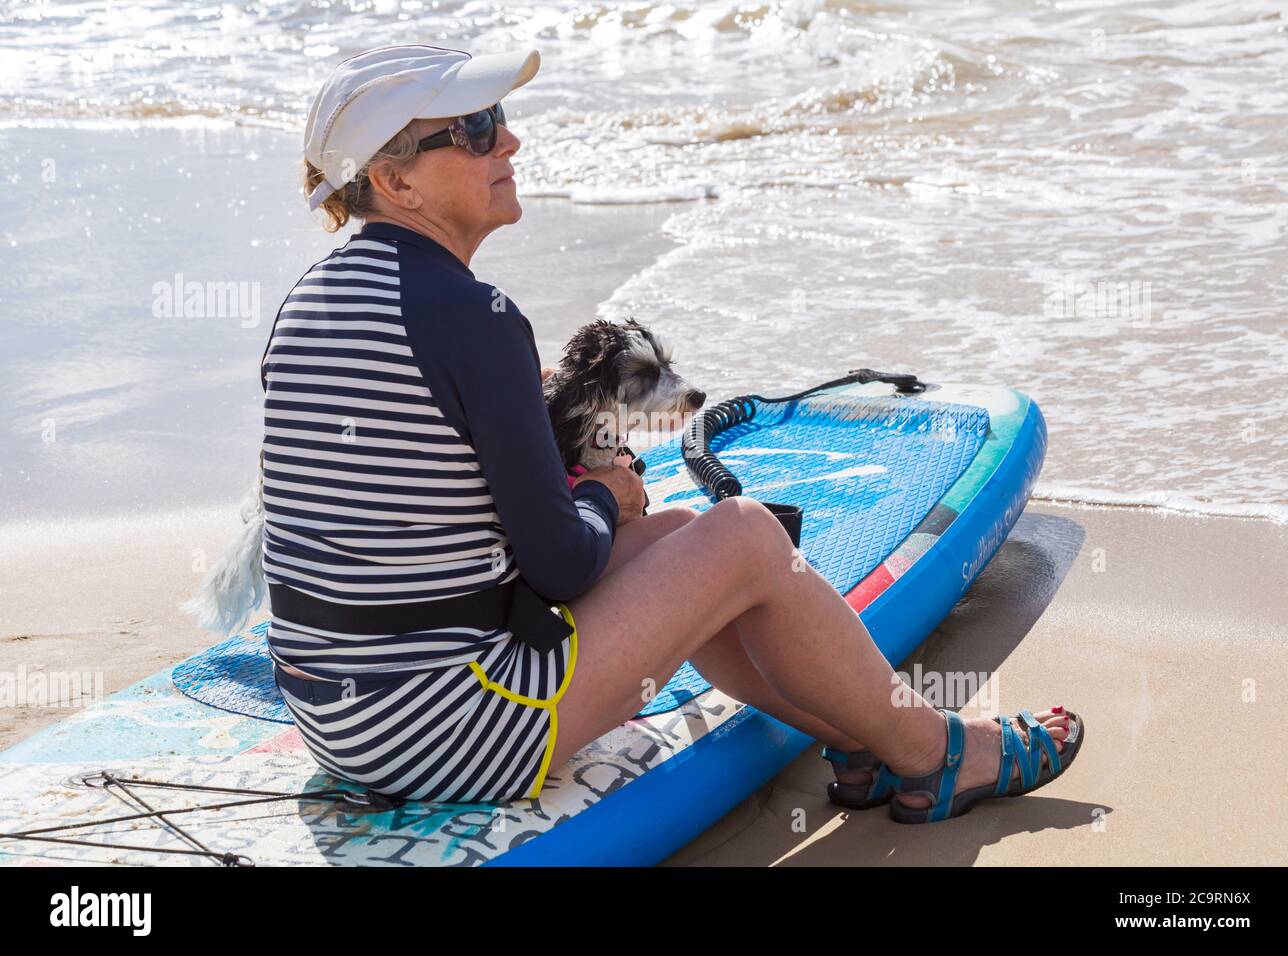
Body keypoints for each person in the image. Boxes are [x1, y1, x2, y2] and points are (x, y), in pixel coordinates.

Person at [264, 43, 1083, 822]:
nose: (509, 138)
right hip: (446, 731)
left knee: (683, 534)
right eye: (474, 129)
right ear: (393, 181)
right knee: (746, 537)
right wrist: (600, 494)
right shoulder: (471, 319)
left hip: (338, 718)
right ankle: (931, 749)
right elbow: (558, 560)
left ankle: (852, 733)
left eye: (499, 115)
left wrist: (604, 513)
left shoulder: (307, 305)